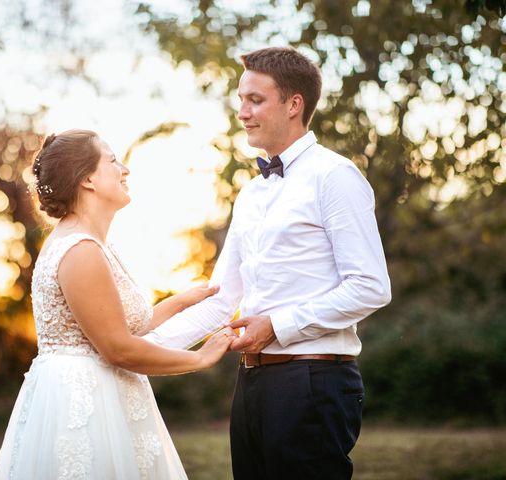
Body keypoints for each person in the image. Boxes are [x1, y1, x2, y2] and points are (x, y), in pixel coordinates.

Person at [143, 46, 392, 479]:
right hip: (252, 384)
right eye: (241, 100)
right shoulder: (251, 194)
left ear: (294, 104)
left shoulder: (335, 177)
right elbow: (220, 301)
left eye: (254, 100)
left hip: (314, 382)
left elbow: (370, 285)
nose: (242, 112)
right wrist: (138, 349)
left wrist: (277, 325)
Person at [0, 129, 237, 480]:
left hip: (104, 396)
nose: (125, 169)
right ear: (88, 179)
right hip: (84, 406)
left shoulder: (93, 244)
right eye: (112, 160)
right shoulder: (80, 250)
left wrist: (181, 301)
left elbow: (125, 325)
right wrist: (200, 357)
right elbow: (118, 348)